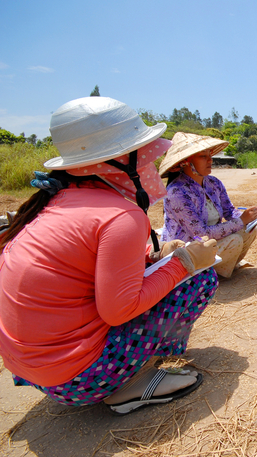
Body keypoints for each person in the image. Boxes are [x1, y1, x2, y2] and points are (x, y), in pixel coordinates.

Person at [0, 96, 220, 415]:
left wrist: (153, 256)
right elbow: (119, 311)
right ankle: (131, 384)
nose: (149, 166)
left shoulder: (58, 201)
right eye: (142, 157)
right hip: (80, 381)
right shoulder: (121, 216)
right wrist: (185, 264)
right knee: (199, 281)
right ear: (120, 161)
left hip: (33, 373)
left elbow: (81, 265)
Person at [159, 132, 257, 278]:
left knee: (250, 230)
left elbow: (229, 211)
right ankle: (207, 274)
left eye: (210, 155)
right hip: (190, 248)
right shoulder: (176, 192)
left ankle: (222, 269)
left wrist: (251, 217)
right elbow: (200, 234)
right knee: (235, 239)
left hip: (211, 241)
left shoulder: (213, 183)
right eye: (203, 156)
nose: (210, 161)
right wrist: (241, 221)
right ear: (186, 161)